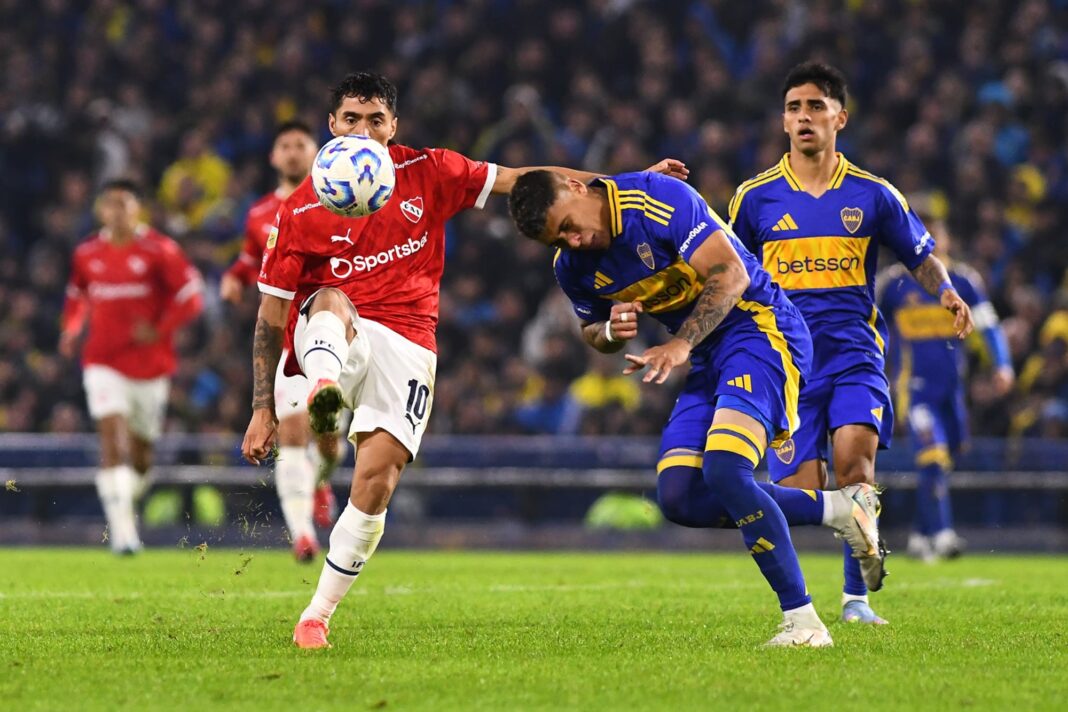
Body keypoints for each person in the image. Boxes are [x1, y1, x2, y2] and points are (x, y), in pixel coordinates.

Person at [240, 71, 687, 649]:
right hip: (331, 331)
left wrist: (625, 184)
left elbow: (522, 179)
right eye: (351, 119)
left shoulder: (429, 170)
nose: (362, 131)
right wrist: (261, 408)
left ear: (393, 126)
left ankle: (316, 615)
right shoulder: (299, 209)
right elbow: (270, 316)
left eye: (375, 120)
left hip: (409, 342)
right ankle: (324, 389)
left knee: (377, 480)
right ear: (332, 125)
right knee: (330, 300)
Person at [508, 168, 883, 647]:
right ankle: (841, 508)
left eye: (568, 226)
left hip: (760, 329)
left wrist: (680, 344)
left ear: (577, 188)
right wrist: (610, 331)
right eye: (558, 239)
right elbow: (591, 331)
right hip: (706, 356)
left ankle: (804, 622)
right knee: (679, 496)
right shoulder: (571, 266)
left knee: (726, 468)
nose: (573, 241)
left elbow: (732, 274)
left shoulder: (658, 199)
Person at [728, 62, 975, 624]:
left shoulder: (873, 194)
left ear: (840, 117)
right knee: (799, 491)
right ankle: (843, 539)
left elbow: (920, 255)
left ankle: (856, 601)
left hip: (854, 357)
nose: (803, 117)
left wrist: (946, 291)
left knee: (855, 467)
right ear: (783, 121)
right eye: (794, 108)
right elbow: (727, 271)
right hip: (786, 366)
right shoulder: (754, 198)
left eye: (815, 106)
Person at [60, 179, 204, 554]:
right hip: (102, 361)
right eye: (110, 204)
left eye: (124, 203)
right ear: (100, 210)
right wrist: (71, 329)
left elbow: (192, 296)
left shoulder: (160, 249)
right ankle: (124, 535)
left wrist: (160, 329)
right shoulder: (87, 253)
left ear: (138, 208)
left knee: (141, 457)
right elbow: (76, 297)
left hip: (150, 367)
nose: (117, 211)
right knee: (112, 441)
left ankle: (125, 505)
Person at [220, 121, 340, 562]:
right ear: (273, 156)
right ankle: (302, 534)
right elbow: (251, 259)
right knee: (291, 431)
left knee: (327, 439)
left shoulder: (339, 200)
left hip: (333, 334)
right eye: (284, 145)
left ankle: (321, 479)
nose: (292, 152)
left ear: (315, 152)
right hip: (288, 339)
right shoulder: (258, 214)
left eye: (300, 144)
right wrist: (234, 278)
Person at [878, 221, 1014, 561]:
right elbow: (869, 325)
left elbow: (989, 326)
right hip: (914, 390)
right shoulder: (892, 284)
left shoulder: (964, 281)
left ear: (947, 240)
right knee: (932, 457)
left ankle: (920, 535)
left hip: (952, 392)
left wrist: (1002, 364)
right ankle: (942, 535)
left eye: (934, 238)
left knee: (944, 460)